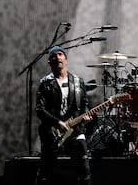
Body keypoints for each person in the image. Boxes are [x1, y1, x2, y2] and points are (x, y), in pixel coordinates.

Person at [35, 46, 93, 185]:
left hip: (75, 130)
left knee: (84, 171)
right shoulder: (45, 83)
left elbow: (84, 103)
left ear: (66, 60)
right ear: (49, 62)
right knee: (45, 172)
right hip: (52, 132)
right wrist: (57, 123)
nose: (57, 57)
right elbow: (40, 109)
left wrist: (86, 115)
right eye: (53, 56)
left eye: (60, 54)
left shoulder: (78, 82)